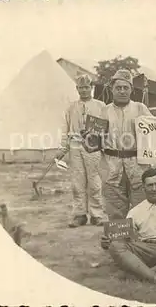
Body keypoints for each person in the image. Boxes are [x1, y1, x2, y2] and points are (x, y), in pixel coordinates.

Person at [100, 168, 156, 290]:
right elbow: (124, 235)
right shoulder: (135, 211)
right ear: (143, 188)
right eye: (150, 185)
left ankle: (140, 275)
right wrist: (108, 241)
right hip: (145, 249)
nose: (154, 189)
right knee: (116, 246)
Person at [100, 69, 153, 220]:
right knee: (115, 210)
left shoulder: (140, 108)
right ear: (112, 89)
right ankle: (119, 241)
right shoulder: (103, 111)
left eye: (126, 88)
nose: (122, 91)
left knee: (141, 210)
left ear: (131, 90)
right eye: (118, 88)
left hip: (137, 166)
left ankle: (140, 241)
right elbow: (93, 141)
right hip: (111, 167)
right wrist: (89, 138)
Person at [60, 74, 107, 227]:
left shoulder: (100, 106)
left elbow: (106, 128)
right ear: (77, 89)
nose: (84, 90)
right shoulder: (71, 107)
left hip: (93, 145)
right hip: (75, 144)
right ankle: (79, 214)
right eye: (81, 87)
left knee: (94, 181)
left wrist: (104, 144)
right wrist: (63, 147)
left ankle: (97, 214)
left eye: (87, 87)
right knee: (77, 181)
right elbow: (65, 128)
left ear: (91, 88)